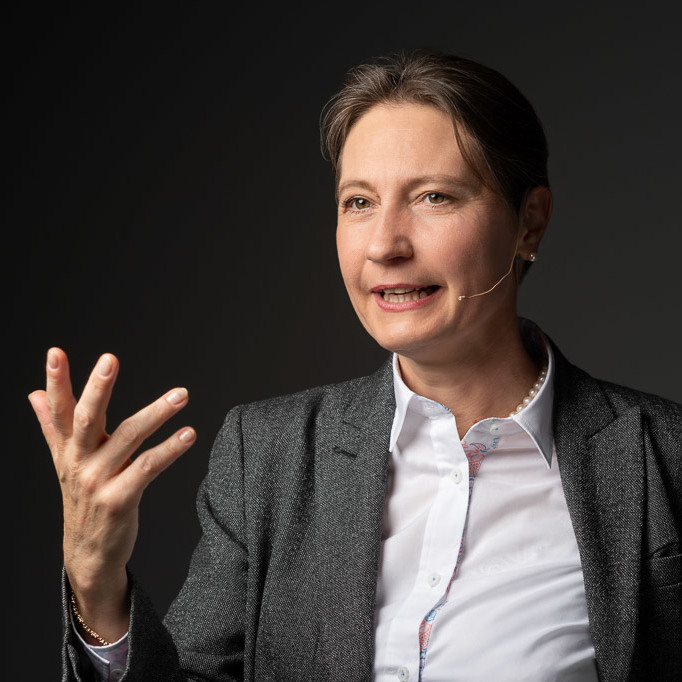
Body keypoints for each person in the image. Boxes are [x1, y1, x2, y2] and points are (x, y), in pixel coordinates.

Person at [30, 50, 681, 682]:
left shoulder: (665, 457)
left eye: (434, 197)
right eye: (359, 202)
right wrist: (97, 587)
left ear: (528, 224)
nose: (384, 246)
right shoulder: (269, 456)